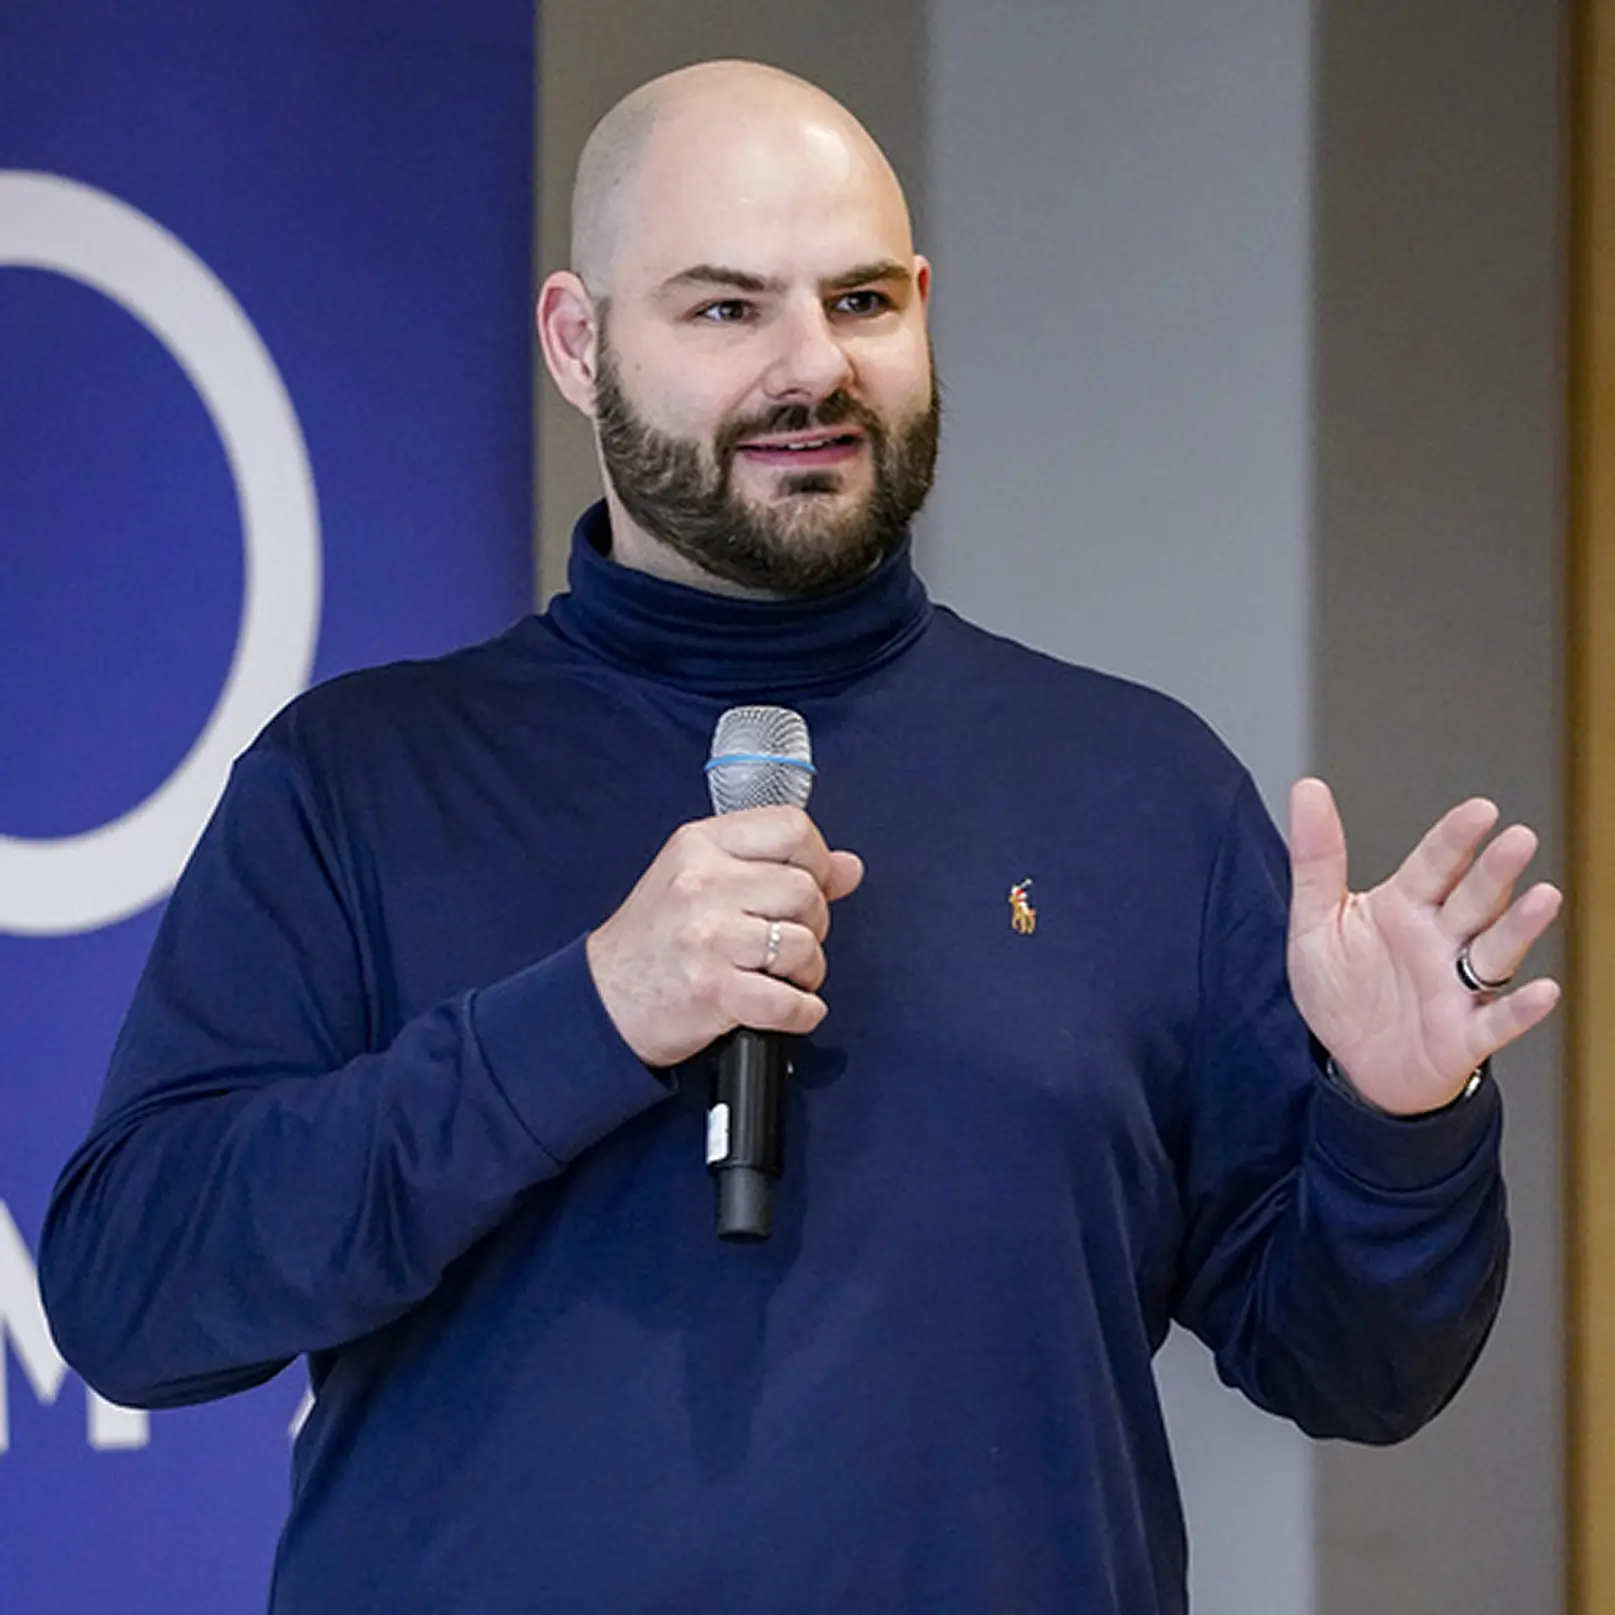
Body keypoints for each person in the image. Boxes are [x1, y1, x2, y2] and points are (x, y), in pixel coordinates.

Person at [40, 60, 1560, 1615]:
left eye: (858, 302)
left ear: (920, 305)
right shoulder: (358, 783)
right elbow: (134, 1295)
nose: (809, 367)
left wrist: (1397, 1122)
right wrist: (588, 1014)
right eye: (723, 310)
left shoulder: (1137, 788)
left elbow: (1357, 1368)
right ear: (578, 341)